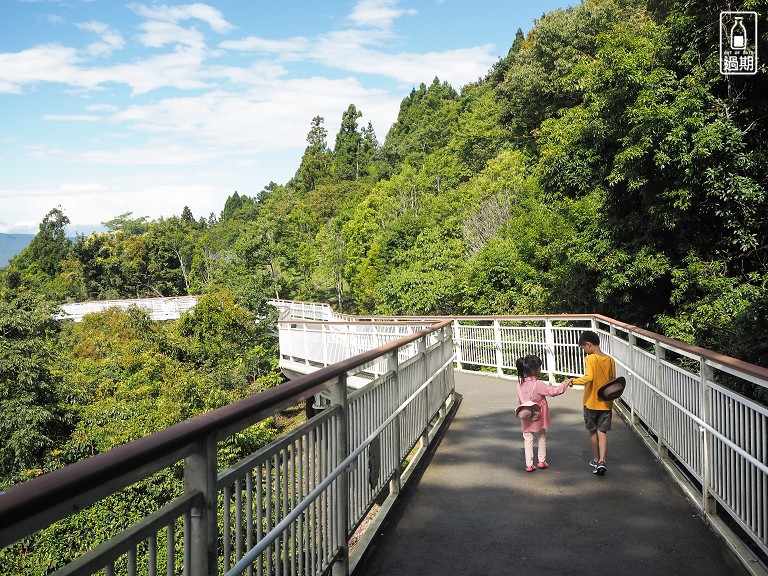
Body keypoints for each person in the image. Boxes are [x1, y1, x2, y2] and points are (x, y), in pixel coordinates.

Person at [563, 330, 616, 476]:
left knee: (592, 431)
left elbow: (589, 377)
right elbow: (613, 380)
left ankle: (596, 458)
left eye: (584, 348)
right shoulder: (610, 360)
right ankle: (603, 461)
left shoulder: (590, 359)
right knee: (602, 431)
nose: (585, 352)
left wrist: (573, 381)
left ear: (588, 344)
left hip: (591, 402)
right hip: (606, 403)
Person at [516, 354, 570, 472]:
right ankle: (541, 461)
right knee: (541, 436)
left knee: (528, 438)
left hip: (525, 415)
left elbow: (519, 401)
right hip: (539, 414)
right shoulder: (538, 384)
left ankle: (529, 464)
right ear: (535, 370)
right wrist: (564, 384)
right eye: (540, 368)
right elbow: (553, 392)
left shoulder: (520, 384)